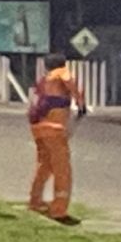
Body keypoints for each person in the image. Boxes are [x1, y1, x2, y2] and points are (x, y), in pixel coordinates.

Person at [28, 54, 87, 225]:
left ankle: (35, 202)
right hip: (55, 128)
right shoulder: (61, 73)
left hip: (38, 127)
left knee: (43, 166)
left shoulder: (44, 80)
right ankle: (59, 211)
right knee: (62, 169)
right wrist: (80, 103)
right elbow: (69, 81)